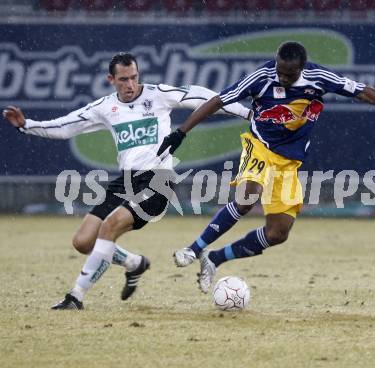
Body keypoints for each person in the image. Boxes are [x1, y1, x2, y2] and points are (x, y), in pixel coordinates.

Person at [157, 41, 375, 293]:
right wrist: (181, 132)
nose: (282, 78)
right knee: (247, 196)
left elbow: (360, 91)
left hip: (288, 162)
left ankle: (215, 259)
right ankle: (193, 249)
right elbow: (218, 100)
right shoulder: (262, 77)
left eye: (289, 74)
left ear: (302, 68)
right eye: (280, 70)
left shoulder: (319, 78)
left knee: (278, 233)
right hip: (260, 145)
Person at [3, 52, 251, 309]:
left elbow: (205, 97)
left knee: (109, 226)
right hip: (125, 182)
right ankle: (134, 263)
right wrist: (26, 125)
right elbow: (65, 126)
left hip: (158, 181)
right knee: (83, 242)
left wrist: (247, 114)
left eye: (134, 77)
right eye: (123, 79)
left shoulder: (158, 94)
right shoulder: (104, 108)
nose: (130, 85)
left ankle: (75, 296)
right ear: (111, 79)